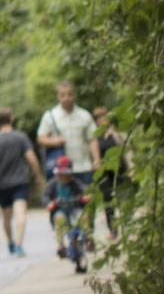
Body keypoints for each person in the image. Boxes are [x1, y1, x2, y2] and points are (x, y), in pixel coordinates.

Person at [36, 80, 99, 220]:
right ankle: (67, 236)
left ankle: (88, 235)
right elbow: (41, 138)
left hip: (83, 167)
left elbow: (92, 139)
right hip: (62, 170)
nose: (66, 98)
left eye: (69, 94)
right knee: (62, 206)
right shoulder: (50, 116)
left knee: (88, 203)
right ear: (58, 96)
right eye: (63, 95)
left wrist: (96, 160)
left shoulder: (84, 115)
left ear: (74, 95)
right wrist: (55, 141)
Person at [0, 108, 38, 256]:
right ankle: (19, 245)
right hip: (20, 181)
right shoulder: (21, 137)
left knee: (6, 217)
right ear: (12, 119)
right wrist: (37, 175)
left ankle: (11, 243)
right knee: (21, 213)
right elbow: (31, 158)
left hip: (3, 184)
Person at [45, 153, 91, 273]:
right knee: (59, 219)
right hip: (61, 210)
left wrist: (85, 196)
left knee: (83, 216)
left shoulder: (75, 183)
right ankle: (61, 245)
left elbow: (84, 190)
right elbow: (45, 196)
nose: (62, 177)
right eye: (60, 174)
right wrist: (49, 203)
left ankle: (88, 238)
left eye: (65, 174)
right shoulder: (53, 185)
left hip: (74, 209)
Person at [93, 108, 128, 239]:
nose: (102, 119)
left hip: (119, 169)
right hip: (104, 173)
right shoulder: (94, 136)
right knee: (108, 199)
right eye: (98, 117)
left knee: (123, 198)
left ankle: (126, 226)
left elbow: (125, 150)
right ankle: (113, 230)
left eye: (104, 116)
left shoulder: (116, 133)